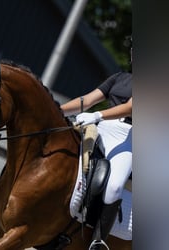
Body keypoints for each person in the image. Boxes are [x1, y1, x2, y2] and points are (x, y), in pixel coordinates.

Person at [60, 71, 132, 249]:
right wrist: (56, 111)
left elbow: (131, 107)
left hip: (129, 137)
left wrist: (96, 115)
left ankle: (98, 241)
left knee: (114, 186)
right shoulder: (120, 77)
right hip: (102, 129)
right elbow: (87, 100)